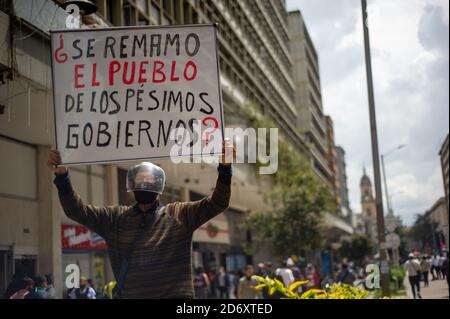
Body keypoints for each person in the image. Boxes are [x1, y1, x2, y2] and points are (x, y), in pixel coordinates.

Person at [48, 140, 234, 298]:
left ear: (159, 186)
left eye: (149, 182)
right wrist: (62, 177)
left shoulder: (179, 215)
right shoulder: (115, 219)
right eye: (140, 181)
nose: (144, 185)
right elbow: (76, 211)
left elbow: (218, 203)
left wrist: (225, 168)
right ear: (131, 186)